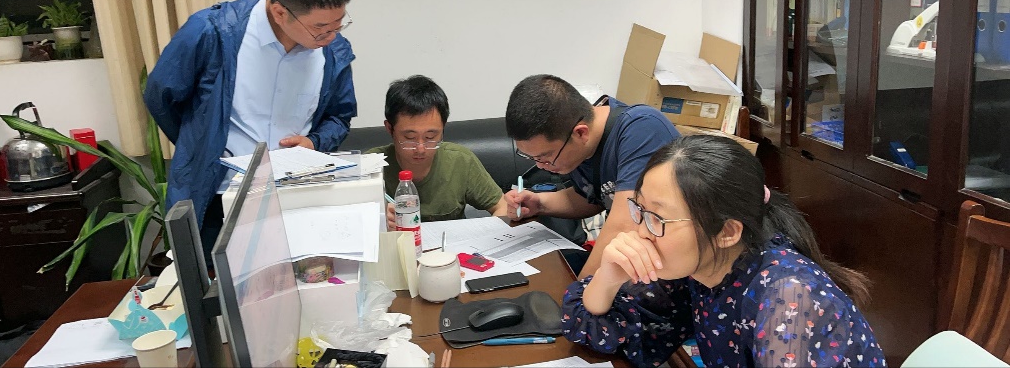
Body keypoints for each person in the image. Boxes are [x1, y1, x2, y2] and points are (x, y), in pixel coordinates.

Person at [562, 135, 885, 367]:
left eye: (657, 218)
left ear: (727, 232)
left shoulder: (790, 298)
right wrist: (608, 278)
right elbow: (600, 331)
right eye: (640, 209)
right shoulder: (700, 267)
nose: (642, 232)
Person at [144, 0, 357, 261]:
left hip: (294, 199)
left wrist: (314, 141)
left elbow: (339, 117)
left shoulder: (332, 51)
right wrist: (203, 143)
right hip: (218, 199)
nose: (331, 36)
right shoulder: (213, 32)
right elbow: (161, 96)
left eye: (338, 24)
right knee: (215, 285)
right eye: (320, 28)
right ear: (280, 12)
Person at [504, 74, 680, 276]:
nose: (540, 166)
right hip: (633, 258)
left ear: (580, 133)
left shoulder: (642, 129)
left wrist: (579, 291)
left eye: (546, 157)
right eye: (532, 157)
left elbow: (626, 223)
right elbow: (594, 197)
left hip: (670, 268)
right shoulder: (582, 149)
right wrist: (539, 204)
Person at [366, 75, 505, 228]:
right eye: (410, 137)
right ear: (389, 128)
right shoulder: (370, 167)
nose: (420, 148)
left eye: (430, 137)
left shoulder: (460, 161)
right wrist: (377, 222)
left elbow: (502, 206)